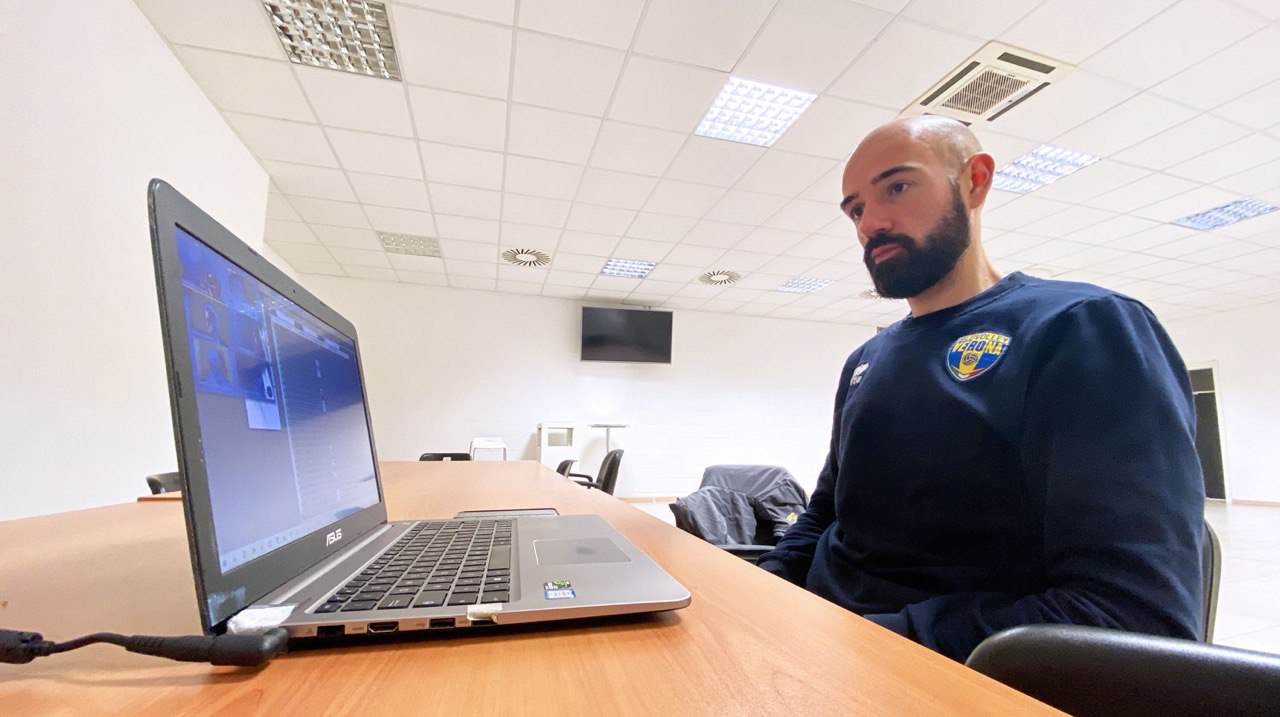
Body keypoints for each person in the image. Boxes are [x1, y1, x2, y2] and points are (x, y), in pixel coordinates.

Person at [755, 116, 1204, 662]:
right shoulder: (866, 360)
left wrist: (858, 646)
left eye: (897, 187)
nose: (870, 223)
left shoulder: (1080, 327)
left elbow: (1133, 614)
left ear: (975, 181)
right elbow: (827, 512)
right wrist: (761, 590)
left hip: (921, 670)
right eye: (854, 210)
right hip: (810, 641)